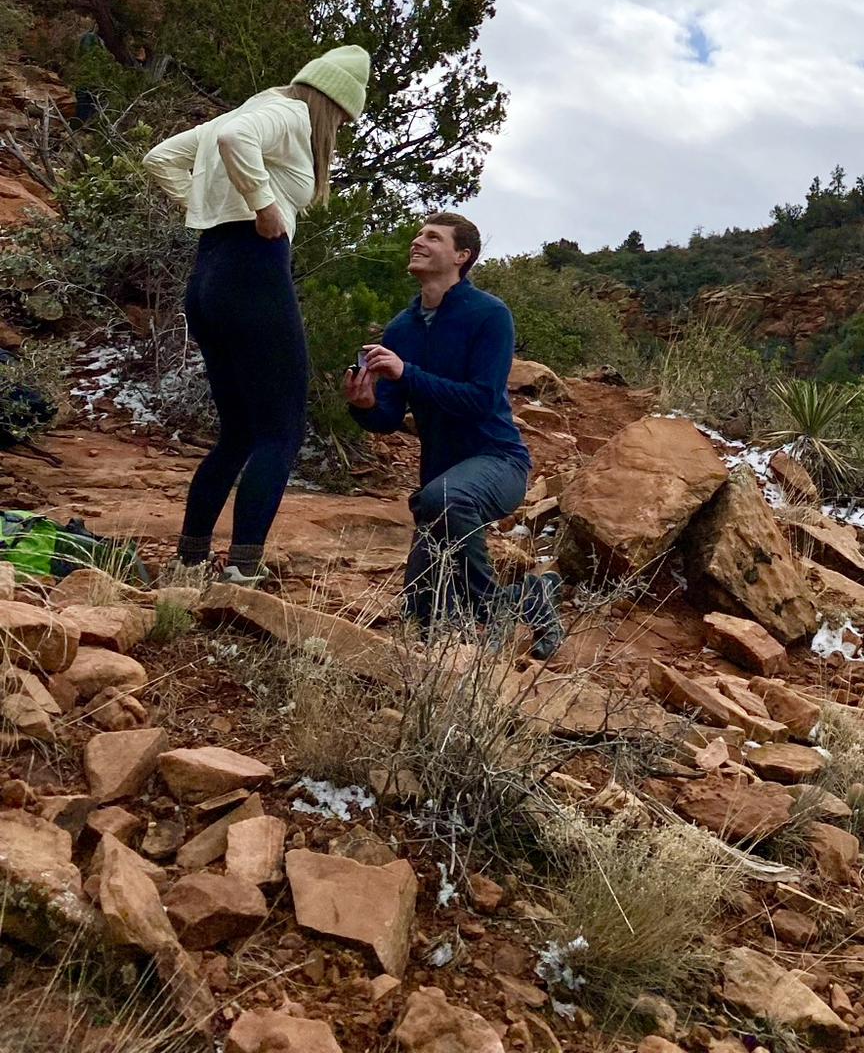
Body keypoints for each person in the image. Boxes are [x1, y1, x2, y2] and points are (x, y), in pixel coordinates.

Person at [143, 46, 371, 581]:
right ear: (332, 104)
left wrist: (209, 208)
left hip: (209, 277)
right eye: (341, 117)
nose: (337, 127)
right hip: (254, 273)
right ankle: (243, 571)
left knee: (240, 433)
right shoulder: (289, 113)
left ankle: (190, 562)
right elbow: (232, 142)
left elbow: (161, 159)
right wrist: (263, 208)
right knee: (282, 433)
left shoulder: (244, 109)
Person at [345, 212, 563, 658]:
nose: (417, 241)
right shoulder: (402, 328)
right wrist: (363, 404)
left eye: (432, 237)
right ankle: (527, 598)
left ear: (462, 256)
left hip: (499, 461)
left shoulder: (489, 315)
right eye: (417, 234)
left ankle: (498, 606)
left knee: (447, 498)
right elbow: (389, 418)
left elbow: (482, 399)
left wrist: (409, 371)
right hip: (439, 484)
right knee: (422, 616)